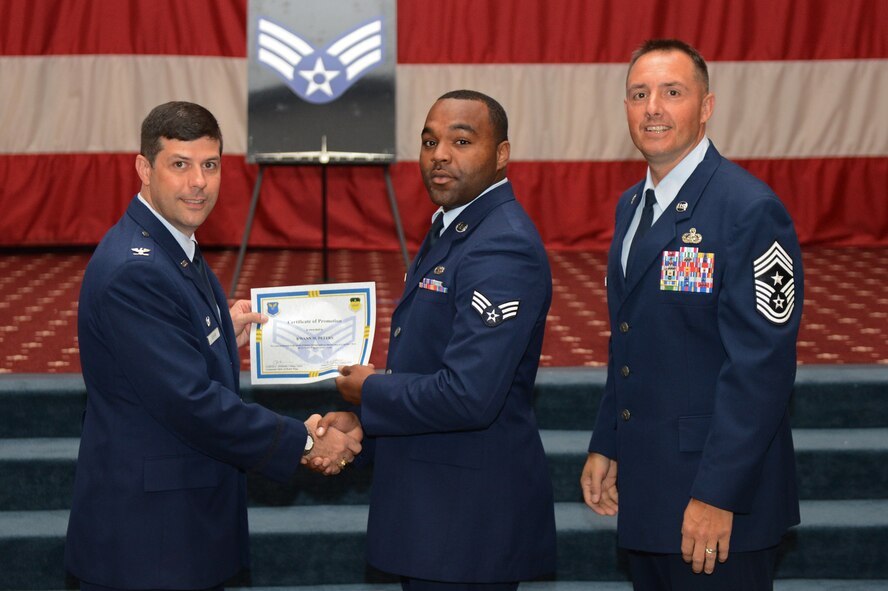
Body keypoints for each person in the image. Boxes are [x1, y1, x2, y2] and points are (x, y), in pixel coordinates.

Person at [65, 101, 362, 591]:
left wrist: (221, 328)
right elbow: (190, 403)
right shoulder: (135, 269)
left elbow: (166, 352)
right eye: (179, 165)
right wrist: (306, 440)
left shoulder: (169, 243)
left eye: (210, 165)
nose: (198, 182)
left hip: (175, 521)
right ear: (144, 168)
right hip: (151, 541)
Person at [580, 39, 804, 590]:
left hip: (718, 504)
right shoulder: (632, 206)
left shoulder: (748, 210)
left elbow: (761, 370)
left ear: (706, 107)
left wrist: (717, 494)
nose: (652, 107)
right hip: (650, 492)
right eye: (639, 94)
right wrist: (608, 440)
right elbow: (628, 339)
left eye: (672, 92)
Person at [316, 90, 557, 590]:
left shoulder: (501, 244)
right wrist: (365, 419)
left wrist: (373, 390)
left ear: (501, 154)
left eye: (461, 140)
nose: (439, 154)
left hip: (468, 525)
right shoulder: (457, 228)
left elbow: (469, 395)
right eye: (429, 141)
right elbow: (430, 367)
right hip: (437, 511)